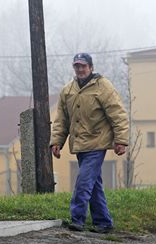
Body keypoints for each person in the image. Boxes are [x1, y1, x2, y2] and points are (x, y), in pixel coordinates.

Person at [50, 53, 129, 233]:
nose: (80, 69)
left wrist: (121, 140)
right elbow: (62, 120)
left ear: (91, 68)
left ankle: (77, 218)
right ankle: (103, 222)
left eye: (83, 66)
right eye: (77, 66)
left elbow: (118, 114)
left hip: (97, 143)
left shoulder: (103, 86)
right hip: (79, 145)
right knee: (93, 184)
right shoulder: (68, 90)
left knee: (83, 181)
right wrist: (57, 142)